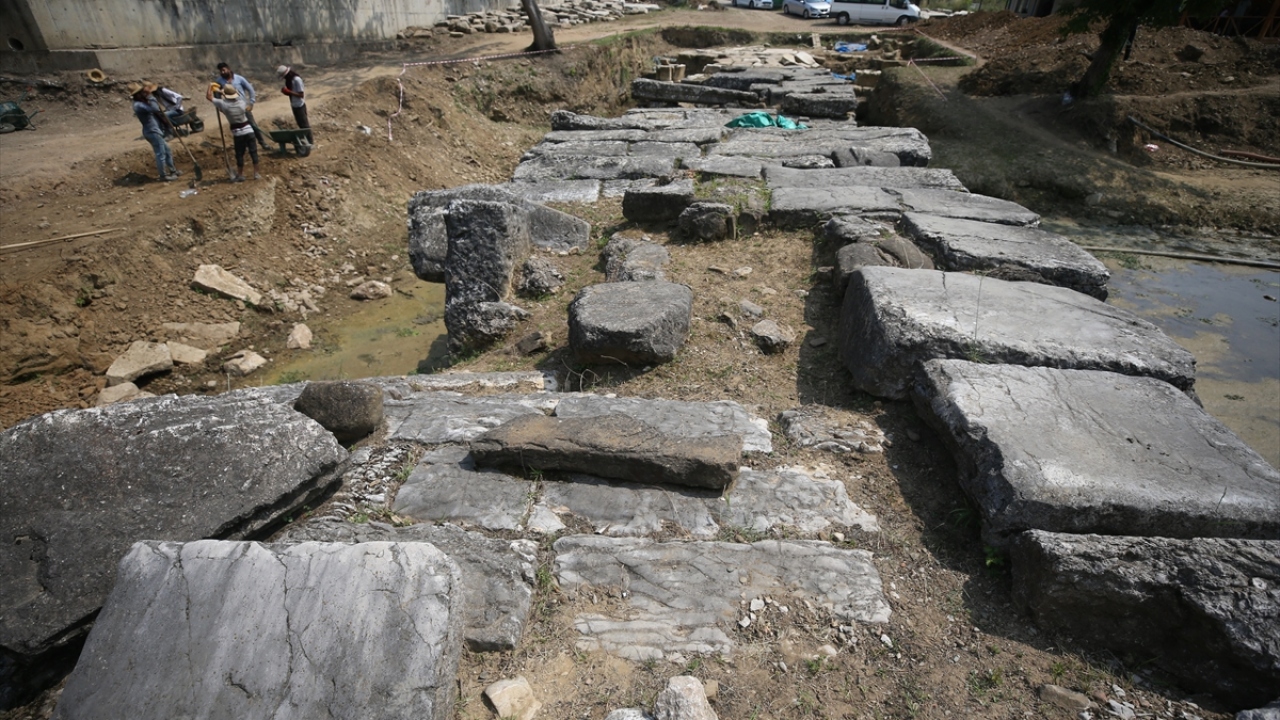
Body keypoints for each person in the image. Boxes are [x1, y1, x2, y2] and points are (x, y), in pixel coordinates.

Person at [206, 82, 260, 182]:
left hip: (238, 133)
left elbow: (209, 97)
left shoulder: (223, 104)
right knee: (253, 152)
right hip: (249, 130)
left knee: (239, 154)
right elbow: (235, 96)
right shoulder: (242, 102)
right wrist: (224, 93)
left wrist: (210, 86)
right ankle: (256, 173)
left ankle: (240, 175)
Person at [128, 82, 180, 182]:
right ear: (136, 94)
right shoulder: (138, 105)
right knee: (161, 154)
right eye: (141, 92)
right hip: (152, 132)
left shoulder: (142, 102)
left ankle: (173, 171)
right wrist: (150, 96)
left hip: (155, 130)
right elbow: (155, 108)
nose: (143, 93)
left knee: (167, 151)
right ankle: (163, 176)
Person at [215, 62, 266, 145]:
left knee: (252, 124)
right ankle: (243, 144)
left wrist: (251, 103)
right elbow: (216, 94)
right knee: (237, 127)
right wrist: (220, 106)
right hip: (231, 108)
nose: (222, 72)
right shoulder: (219, 81)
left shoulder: (239, 79)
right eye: (220, 71)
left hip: (243, 107)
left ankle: (262, 142)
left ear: (228, 69)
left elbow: (250, 90)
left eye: (223, 70)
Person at [277, 65, 311, 144]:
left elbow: (301, 95)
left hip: (300, 105)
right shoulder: (289, 81)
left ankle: (310, 142)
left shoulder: (297, 80)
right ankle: (306, 141)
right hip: (294, 105)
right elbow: (292, 94)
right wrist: (286, 92)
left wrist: (289, 92)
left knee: (305, 126)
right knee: (300, 125)